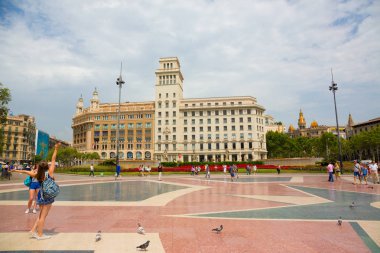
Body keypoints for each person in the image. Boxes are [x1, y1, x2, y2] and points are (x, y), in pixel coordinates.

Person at [11, 143, 61, 240]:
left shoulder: (37, 175)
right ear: (47, 167)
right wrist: (56, 149)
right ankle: (40, 234)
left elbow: (25, 172)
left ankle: (33, 230)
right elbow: (53, 159)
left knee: (42, 214)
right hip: (48, 197)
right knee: (43, 216)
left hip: (41, 196)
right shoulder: (49, 172)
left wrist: (15, 170)